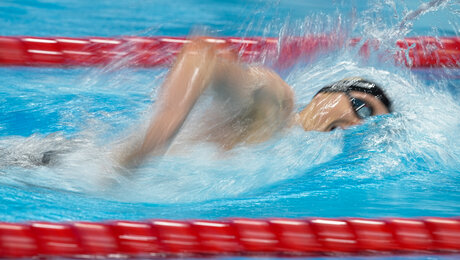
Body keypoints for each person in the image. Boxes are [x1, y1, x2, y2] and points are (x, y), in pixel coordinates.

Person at [118, 39, 392, 168]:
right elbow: (200, 55)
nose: (358, 124)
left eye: (369, 122)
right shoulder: (276, 102)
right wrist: (145, 151)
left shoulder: (289, 156)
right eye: (362, 107)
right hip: (114, 176)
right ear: (325, 94)